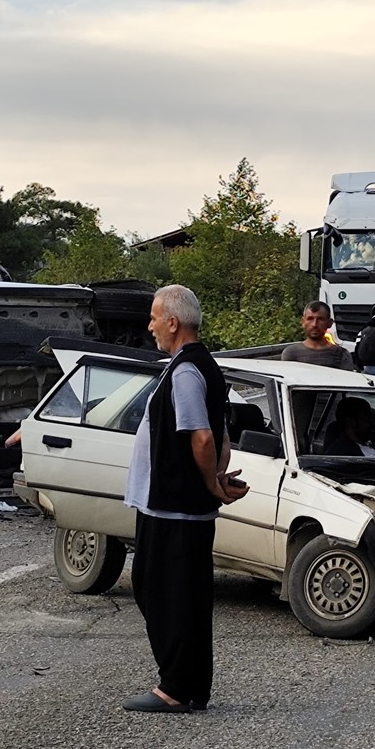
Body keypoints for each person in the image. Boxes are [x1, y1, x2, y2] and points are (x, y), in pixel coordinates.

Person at [122, 284, 249, 714]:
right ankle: (191, 686)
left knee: (163, 591)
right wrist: (213, 476)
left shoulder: (187, 370)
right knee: (184, 594)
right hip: (177, 503)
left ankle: (175, 687)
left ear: (173, 322)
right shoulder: (196, 365)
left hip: (174, 505)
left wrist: (210, 484)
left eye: (156, 317)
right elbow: (221, 435)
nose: (151, 325)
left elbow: (202, 436)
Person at [281, 301, 356, 371]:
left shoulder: (342, 355)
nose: (314, 324)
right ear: (303, 322)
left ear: (329, 323)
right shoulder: (291, 353)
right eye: (310, 319)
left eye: (320, 319)